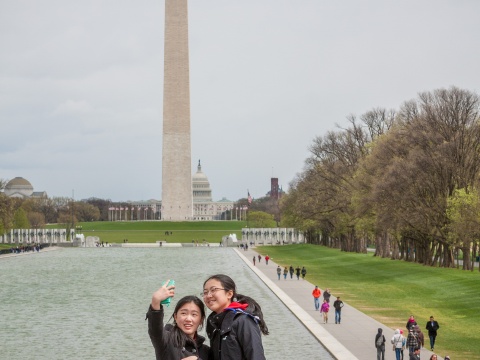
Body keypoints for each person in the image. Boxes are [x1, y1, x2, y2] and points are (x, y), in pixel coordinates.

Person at [202, 274, 268, 360]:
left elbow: (256, 356)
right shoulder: (214, 323)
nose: (208, 295)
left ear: (229, 294)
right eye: (205, 292)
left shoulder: (243, 321)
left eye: (213, 290)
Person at [146, 280, 209, 360]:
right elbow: (155, 329)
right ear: (175, 316)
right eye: (183, 313)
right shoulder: (166, 340)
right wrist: (155, 301)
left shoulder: (206, 351)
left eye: (194, 314)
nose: (188, 319)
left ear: (201, 320)